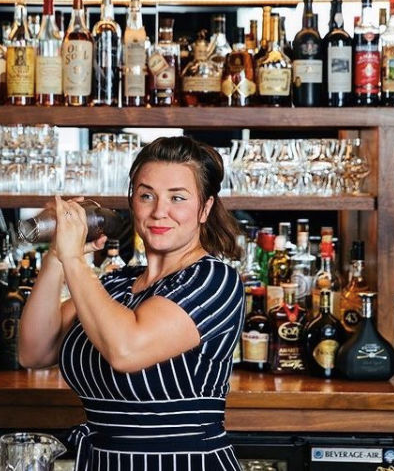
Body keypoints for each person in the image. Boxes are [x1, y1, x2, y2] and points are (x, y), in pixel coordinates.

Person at [19, 136, 245, 470]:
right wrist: (56, 257)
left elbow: (126, 349)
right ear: (132, 202)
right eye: (146, 195)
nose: (159, 211)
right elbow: (35, 351)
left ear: (205, 209)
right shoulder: (115, 284)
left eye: (177, 198)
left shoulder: (213, 280)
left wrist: (74, 261)